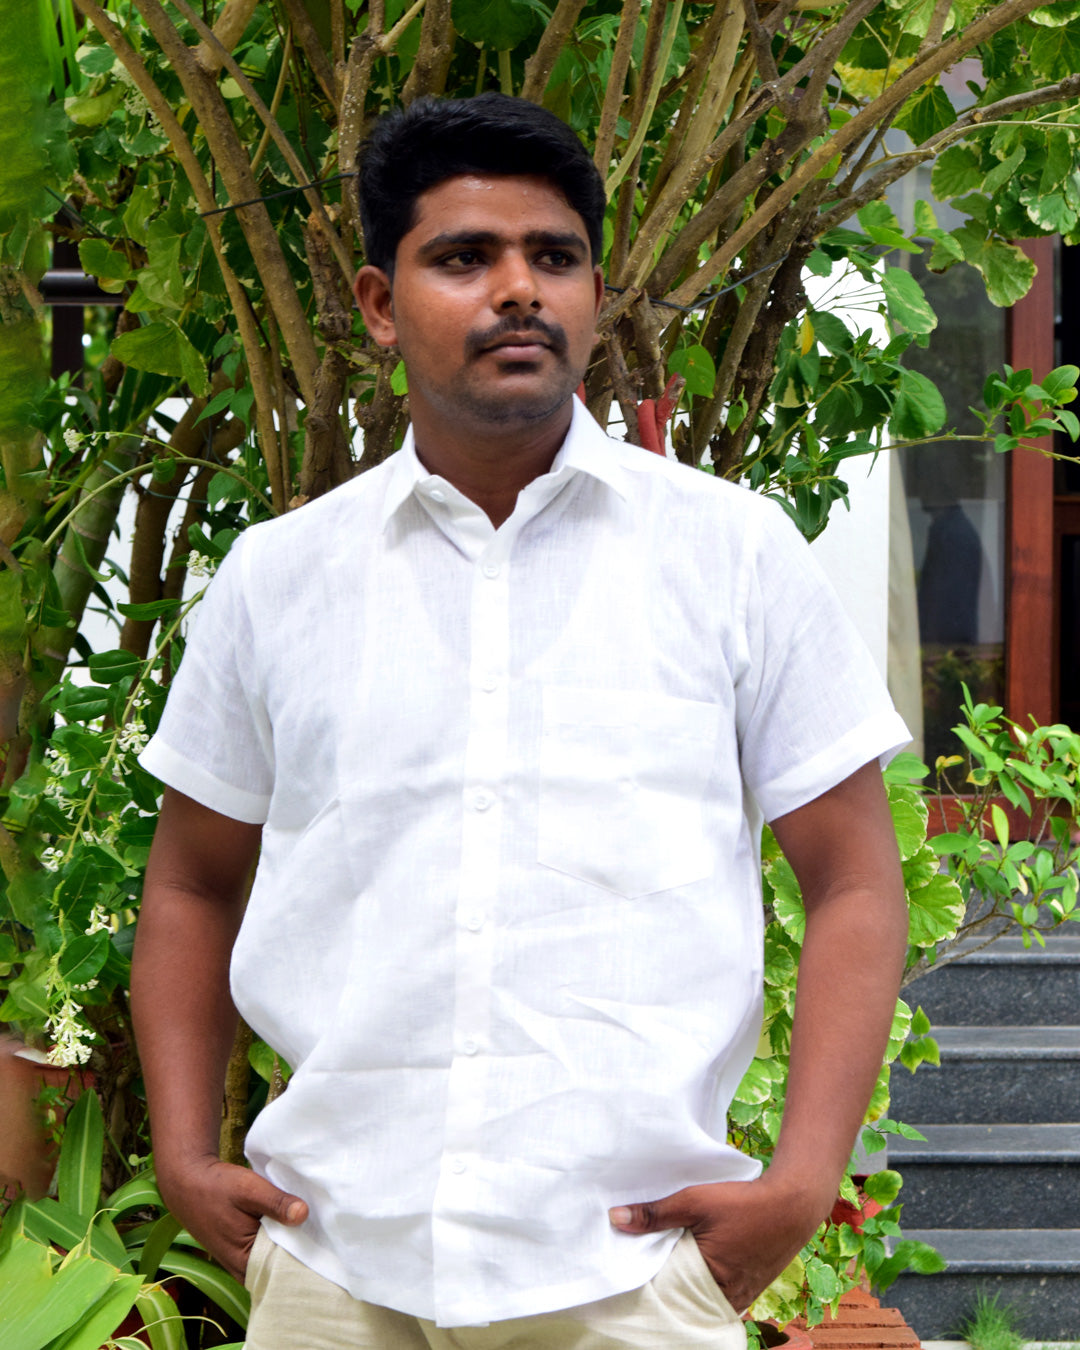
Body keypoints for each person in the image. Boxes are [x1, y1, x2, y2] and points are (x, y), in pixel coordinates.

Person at [133, 93, 910, 1349]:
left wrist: (802, 1182)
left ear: (595, 296)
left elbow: (855, 882)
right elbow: (190, 884)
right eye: (463, 257)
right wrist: (180, 1153)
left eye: (554, 258)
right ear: (381, 306)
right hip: (336, 1265)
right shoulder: (281, 581)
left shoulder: (731, 555)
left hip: (628, 1273)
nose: (518, 290)